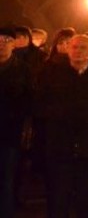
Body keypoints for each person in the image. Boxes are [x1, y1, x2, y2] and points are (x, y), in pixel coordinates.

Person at [36, 34, 88, 218]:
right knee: (58, 197)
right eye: (75, 47)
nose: (78, 51)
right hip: (59, 145)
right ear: (68, 50)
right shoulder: (51, 74)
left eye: (83, 48)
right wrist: (60, 112)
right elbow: (39, 104)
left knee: (85, 197)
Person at [0, 26, 32, 218]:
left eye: (6, 41)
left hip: (9, 132)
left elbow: (29, 100)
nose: (2, 45)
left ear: (14, 45)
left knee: (6, 179)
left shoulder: (22, 70)